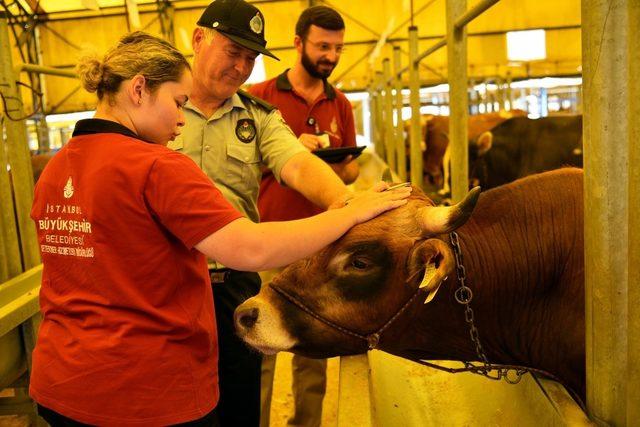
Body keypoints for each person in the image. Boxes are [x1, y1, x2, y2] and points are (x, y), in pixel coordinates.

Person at [29, 31, 410, 426]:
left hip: (64, 382)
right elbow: (251, 249)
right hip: (145, 391)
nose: (181, 119)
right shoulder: (156, 165)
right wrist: (348, 214)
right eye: (178, 103)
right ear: (139, 89)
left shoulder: (57, 168)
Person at [172, 1, 375, 425]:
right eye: (234, 52)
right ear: (198, 39)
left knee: (241, 395)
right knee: (176, 398)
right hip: (169, 280)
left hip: (235, 275)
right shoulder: (158, 108)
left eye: (250, 58)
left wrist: (348, 205)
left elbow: (296, 163)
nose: (242, 68)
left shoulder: (258, 116)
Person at [248, 6, 355, 427]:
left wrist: (329, 164)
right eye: (323, 46)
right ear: (298, 44)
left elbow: (351, 170)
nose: (331, 55)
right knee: (259, 345)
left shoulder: (339, 103)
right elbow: (240, 165)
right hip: (267, 243)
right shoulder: (259, 98)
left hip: (320, 246)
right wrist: (289, 152)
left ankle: (306, 423)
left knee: (312, 345)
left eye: (338, 48)